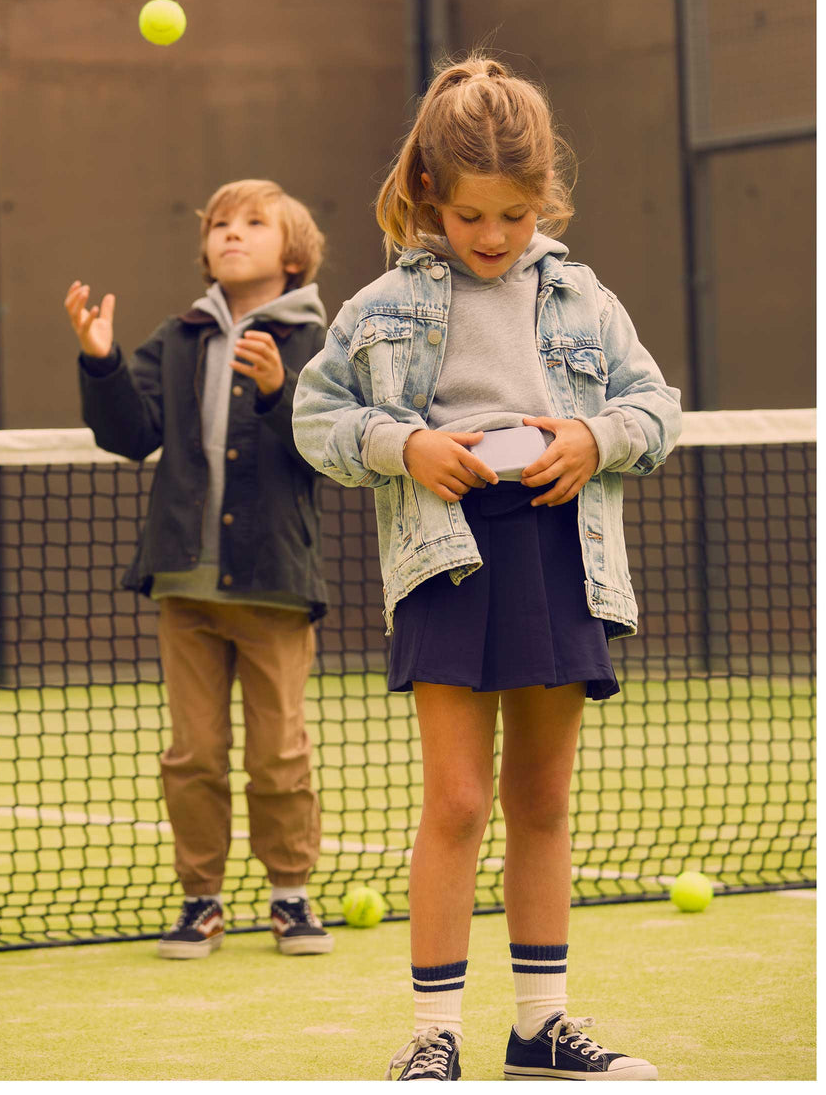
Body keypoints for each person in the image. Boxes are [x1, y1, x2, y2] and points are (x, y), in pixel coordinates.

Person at [292, 58, 681, 1080]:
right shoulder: (379, 307)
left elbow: (655, 409)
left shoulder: (586, 298)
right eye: (470, 216)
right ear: (428, 190)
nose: (494, 236)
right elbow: (318, 417)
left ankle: (540, 1024)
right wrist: (402, 446)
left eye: (513, 214)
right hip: (446, 554)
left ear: (543, 198)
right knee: (458, 801)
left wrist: (596, 439)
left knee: (542, 800)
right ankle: (435, 1035)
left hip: (561, 547)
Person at [65, 179, 334, 960]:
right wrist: (102, 360)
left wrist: (282, 393)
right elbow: (129, 434)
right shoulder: (178, 338)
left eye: (254, 223)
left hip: (276, 584)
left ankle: (290, 896)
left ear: (292, 255)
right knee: (193, 753)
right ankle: (201, 901)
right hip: (184, 585)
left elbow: (328, 453)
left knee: (279, 754)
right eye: (220, 224)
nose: (232, 234)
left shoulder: (317, 346)